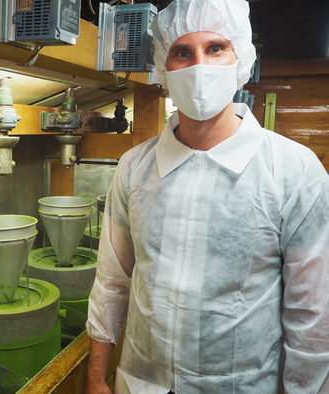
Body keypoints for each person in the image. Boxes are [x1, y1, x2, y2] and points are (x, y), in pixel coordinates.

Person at [85, 0, 329, 393]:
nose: (199, 66)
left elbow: (312, 316)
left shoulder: (294, 172)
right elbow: (113, 283)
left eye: (215, 48)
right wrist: (96, 377)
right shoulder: (133, 168)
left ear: (240, 59)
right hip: (140, 382)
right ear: (165, 66)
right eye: (182, 52)